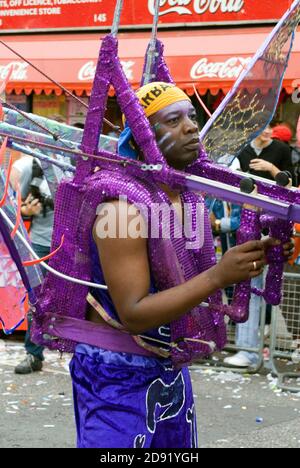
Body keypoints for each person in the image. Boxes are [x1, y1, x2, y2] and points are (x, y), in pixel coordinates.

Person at [67, 83, 293, 448]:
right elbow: (134, 312)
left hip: (169, 370)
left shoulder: (188, 200)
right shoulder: (121, 210)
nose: (191, 127)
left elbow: (183, 280)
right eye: (173, 120)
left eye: (191, 116)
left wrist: (256, 255)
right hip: (114, 376)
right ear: (142, 139)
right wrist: (219, 274)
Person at [224, 126, 295, 368]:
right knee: (247, 285)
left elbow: (291, 187)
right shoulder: (242, 152)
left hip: (276, 224)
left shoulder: (281, 150)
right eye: (262, 129)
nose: (267, 132)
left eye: (269, 129)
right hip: (247, 224)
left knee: (272, 288)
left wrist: (271, 170)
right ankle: (247, 349)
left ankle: (255, 348)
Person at [10, 155, 54, 374]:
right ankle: (33, 354)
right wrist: (25, 211)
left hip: (75, 243)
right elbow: (10, 198)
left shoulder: (76, 164)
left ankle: (85, 355)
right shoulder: (33, 164)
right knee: (37, 298)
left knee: (83, 298)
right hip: (41, 243)